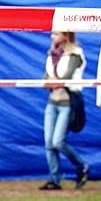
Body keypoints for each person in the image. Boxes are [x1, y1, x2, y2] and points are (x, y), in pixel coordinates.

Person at [39, 30, 89, 191]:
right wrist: (51, 82)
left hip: (68, 102)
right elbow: (45, 78)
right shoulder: (51, 54)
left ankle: (81, 165)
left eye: (56, 33)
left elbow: (66, 77)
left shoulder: (76, 54)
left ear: (66, 36)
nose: (52, 36)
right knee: (48, 143)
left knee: (58, 142)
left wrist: (54, 82)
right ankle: (54, 179)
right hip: (52, 101)